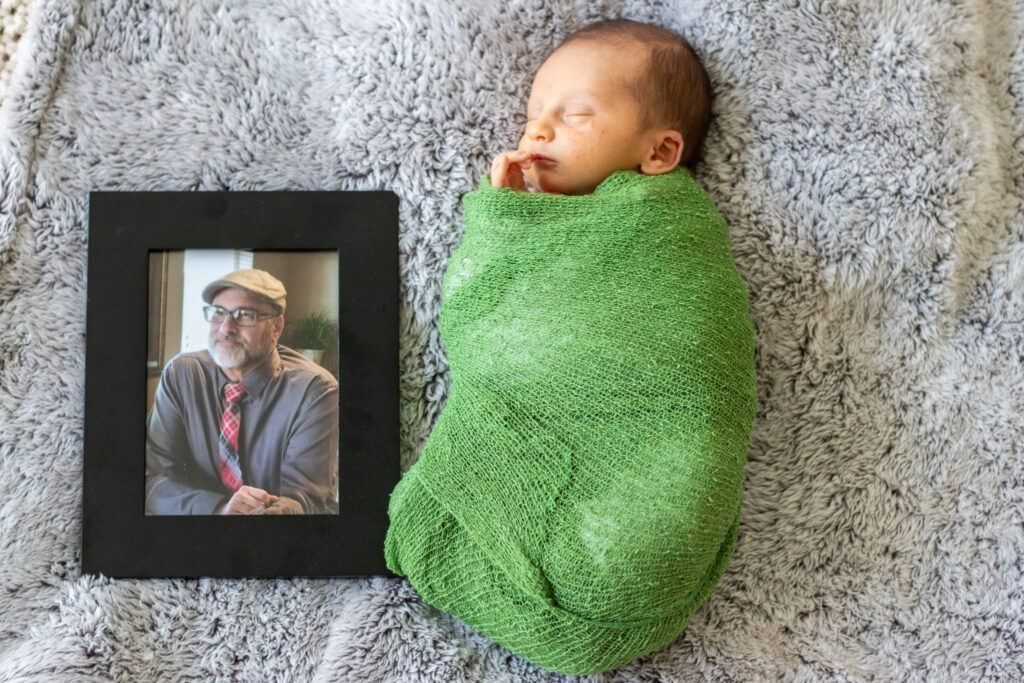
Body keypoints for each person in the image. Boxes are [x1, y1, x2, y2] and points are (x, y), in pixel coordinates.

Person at [145, 268, 339, 515]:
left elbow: (308, 502)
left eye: (245, 315)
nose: (227, 327)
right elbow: (153, 477)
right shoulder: (182, 375)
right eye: (218, 313)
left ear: (276, 328)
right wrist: (219, 509)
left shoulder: (314, 391)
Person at [489, 18, 711, 194]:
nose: (536, 130)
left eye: (577, 113)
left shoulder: (670, 220)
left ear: (659, 152)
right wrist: (511, 209)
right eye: (533, 115)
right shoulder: (530, 206)